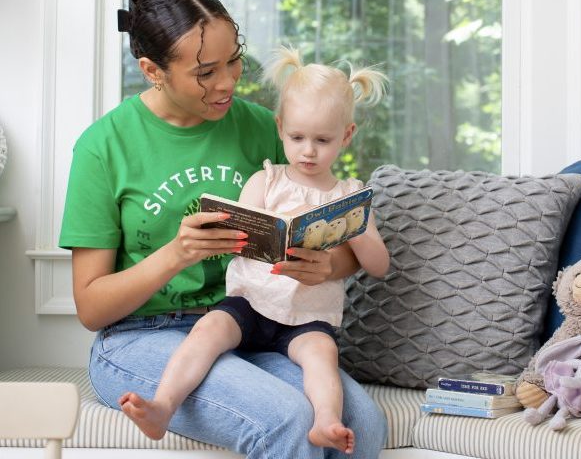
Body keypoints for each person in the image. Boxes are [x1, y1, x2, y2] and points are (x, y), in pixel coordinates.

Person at [59, 0, 387, 459]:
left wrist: (331, 265)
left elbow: (332, 230)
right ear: (153, 70)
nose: (229, 82)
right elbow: (91, 309)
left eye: (234, 59)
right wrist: (177, 253)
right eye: (206, 71)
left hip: (257, 323)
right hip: (141, 339)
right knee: (288, 421)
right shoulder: (103, 146)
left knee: (364, 426)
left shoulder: (263, 127)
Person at [118, 45, 390, 454]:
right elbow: (245, 234)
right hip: (251, 304)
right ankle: (163, 405)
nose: (308, 150)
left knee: (322, 353)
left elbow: (379, 265)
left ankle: (326, 421)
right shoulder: (267, 181)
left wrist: (354, 228)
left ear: (347, 136)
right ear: (280, 128)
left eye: (323, 140)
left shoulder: (350, 196)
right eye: (297, 137)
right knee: (208, 329)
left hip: (306, 318)